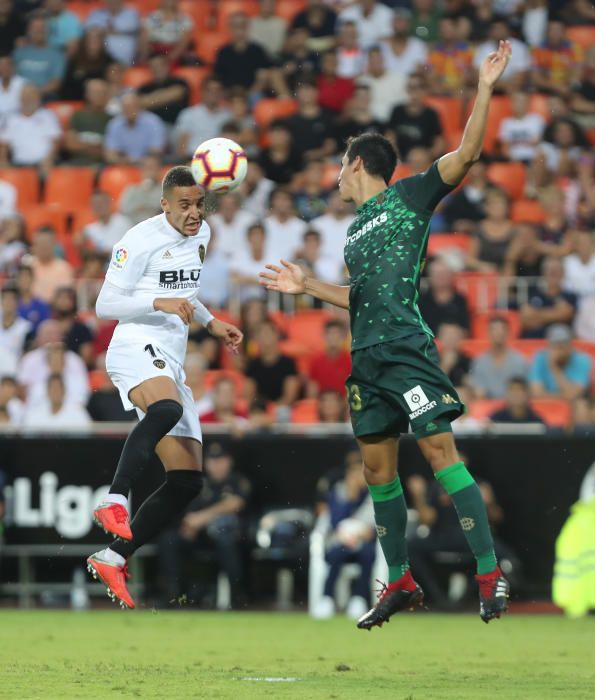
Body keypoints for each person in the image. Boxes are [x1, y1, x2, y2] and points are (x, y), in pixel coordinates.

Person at [260, 41, 514, 628]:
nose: (337, 179)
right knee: (377, 471)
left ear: (356, 165)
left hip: (404, 349)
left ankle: (487, 570)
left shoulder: (411, 196)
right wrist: (308, 285)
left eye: (341, 169)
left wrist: (483, 88)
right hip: (366, 357)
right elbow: (358, 298)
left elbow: (468, 152)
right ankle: (398, 579)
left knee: (438, 452)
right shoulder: (352, 235)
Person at [86, 166, 243, 610]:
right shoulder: (137, 240)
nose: (195, 213)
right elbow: (104, 304)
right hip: (135, 344)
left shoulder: (202, 234)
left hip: (169, 357)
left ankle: (113, 556)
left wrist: (213, 323)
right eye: (185, 206)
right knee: (166, 411)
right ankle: (114, 499)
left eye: (199, 204)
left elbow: (185, 292)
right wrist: (158, 302)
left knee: (187, 481)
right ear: (165, 204)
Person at [158, 442, 251, 609]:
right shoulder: (200, 483)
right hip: (202, 536)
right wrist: (190, 525)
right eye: (212, 460)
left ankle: (237, 596)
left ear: (229, 461)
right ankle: (173, 594)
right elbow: (190, 515)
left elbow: (235, 503)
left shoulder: (237, 481)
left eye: (221, 460)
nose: (217, 465)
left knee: (226, 541)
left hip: (233, 537)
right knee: (170, 539)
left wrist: (203, 517)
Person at [406, 469, 512, 607]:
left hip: (470, 538)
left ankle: (466, 597)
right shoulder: (436, 486)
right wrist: (418, 496)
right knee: (410, 547)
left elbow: (497, 518)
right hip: (441, 536)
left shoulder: (477, 484)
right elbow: (427, 520)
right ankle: (438, 596)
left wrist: (488, 503)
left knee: (503, 556)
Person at [313, 450, 376, 620]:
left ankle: (359, 599)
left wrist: (363, 534)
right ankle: (327, 598)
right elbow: (334, 522)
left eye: (361, 472)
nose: (357, 477)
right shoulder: (339, 490)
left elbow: (373, 525)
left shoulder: (373, 494)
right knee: (335, 554)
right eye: (354, 472)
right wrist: (350, 497)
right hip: (339, 541)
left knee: (368, 554)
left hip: (363, 542)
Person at [0, 83, 61, 172]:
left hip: (44, 163)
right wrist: (3, 161)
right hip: (18, 164)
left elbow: (56, 142)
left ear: (38, 99)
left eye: (31, 96)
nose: (27, 99)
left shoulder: (48, 115)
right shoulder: (11, 119)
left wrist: (49, 159)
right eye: (24, 96)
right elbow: (4, 145)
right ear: (19, 99)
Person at [386, 76, 444, 161]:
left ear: (424, 90)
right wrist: (395, 155)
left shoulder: (431, 114)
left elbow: (439, 143)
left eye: (417, 87)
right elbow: (389, 136)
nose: (413, 92)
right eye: (410, 88)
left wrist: (426, 156)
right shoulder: (397, 111)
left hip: (423, 161)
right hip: (400, 160)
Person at [173, 76, 231, 160]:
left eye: (217, 90)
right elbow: (181, 146)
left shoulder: (227, 116)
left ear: (222, 93)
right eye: (209, 90)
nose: (213, 94)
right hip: (193, 159)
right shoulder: (188, 114)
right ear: (202, 92)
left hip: (220, 161)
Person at [529, 324, 591, 401]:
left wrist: (554, 368)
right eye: (555, 346)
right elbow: (537, 393)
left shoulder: (582, 360)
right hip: (546, 408)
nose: (558, 351)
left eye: (562, 346)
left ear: (570, 346)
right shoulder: (540, 358)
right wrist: (562, 397)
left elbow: (573, 395)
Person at [244, 319, 300, 407]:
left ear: (276, 335)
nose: (264, 337)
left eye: (267, 333)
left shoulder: (288, 363)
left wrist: (275, 410)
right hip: (260, 411)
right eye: (260, 334)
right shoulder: (253, 365)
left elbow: (290, 396)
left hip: (283, 410)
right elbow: (249, 395)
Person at [469, 316, 527, 399]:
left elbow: (523, 391)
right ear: (488, 333)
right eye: (494, 330)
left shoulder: (519, 360)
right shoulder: (479, 361)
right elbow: (478, 391)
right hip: (486, 408)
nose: (498, 333)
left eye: (501, 330)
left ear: (508, 333)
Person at [520, 256, 577, 339]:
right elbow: (525, 319)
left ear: (563, 273)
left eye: (556, 271)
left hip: (559, 344)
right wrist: (555, 314)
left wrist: (536, 315)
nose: (552, 273)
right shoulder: (533, 294)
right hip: (533, 342)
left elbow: (565, 315)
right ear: (544, 273)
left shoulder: (570, 296)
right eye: (550, 270)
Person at [213, 12, 270, 92]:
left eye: (243, 25)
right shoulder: (223, 52)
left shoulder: (258, 51)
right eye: (236, 26)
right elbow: (217, 79)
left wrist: (249, 94)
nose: (239, 29)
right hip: (228, 95)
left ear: (248, 27)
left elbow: (263, 77)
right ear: (230, 28)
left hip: (252, 94)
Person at [104, 91, 166, 164]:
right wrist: (130, 161)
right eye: (125, 107)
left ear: (139, 107)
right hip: (124, 165)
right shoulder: (114, 124)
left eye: (131, 106)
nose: (128, 110)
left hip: (147, 165)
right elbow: (110, 156)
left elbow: (156, 152)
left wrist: (134, 161)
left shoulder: (153, 122)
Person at [13, 13, 65, 98]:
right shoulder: (19, 53)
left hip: (45, 97)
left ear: (48, 30)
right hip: (19, 96)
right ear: (28, 30)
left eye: (42, 27)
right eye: (35, 28)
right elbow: (12, 78)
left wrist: (33, 94)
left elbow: (55, 84)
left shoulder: (57, 55)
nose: (39, 30)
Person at [63, 78, 111, 165]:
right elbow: (70, 145)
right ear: (87, 94)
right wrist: (96, 146)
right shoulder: (77, 117)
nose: (99, 96)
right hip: (74, 164)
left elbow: (109, 151)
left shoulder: (112, 120)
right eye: (95, 93)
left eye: (102, 93)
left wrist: (82, 145)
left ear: (108, 96)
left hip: (101, 167)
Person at [418, 258, 470, 335]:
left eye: (444, 274)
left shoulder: (460, 299)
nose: (441, 278)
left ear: (451, 276)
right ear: (430, 277)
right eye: (437, 275)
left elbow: (465, 328)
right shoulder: (421, 299)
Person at [22, 372, 91, 429]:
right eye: (52, 388)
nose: (55, 391)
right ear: (47, 392)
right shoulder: (35, 413)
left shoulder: (78, 413)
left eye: (58, 388)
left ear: (64, 391)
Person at [59, 26, 111, 101]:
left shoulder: (109, 61)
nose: (93, 44)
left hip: (101, 102)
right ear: (84, 42)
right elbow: (66, 86)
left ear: (102, 43)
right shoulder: (74, 61)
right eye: (90, 40)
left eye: (97, 40)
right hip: (76, 101)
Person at [137, 52, 189, 126]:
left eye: (159, 65)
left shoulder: (179, 82)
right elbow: (138, 103)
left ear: (167, 66)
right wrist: (163, 96)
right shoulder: (144, 87)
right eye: (153, 66)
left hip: (175, 125)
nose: (157, 69)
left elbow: (176, 93)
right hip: (150, 126)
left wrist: (150, 99)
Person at [75, 190, 132, 256]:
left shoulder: (123, 222)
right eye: (95, 204)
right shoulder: (90, 228)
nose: (99, 206)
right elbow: (78, 242)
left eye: (102, 203)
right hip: (101, 261)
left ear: (109, 203)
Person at [138, 0, 194, 66]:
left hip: (174, 51)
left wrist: (171, 57)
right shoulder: (152, 17)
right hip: (155, 50)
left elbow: (185, 41)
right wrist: (145, 55)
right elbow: (144, 36)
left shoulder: (184, 19)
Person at [51, 286, 94, 367]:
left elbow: (86, 358)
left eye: (67, 298)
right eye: (60, 298)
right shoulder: (47, 327)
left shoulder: (82, 329)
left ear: (74, 302)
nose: (63, 301)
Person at [86, 0, 140, 66]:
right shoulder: (96, 14)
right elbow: (90, 32)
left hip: (128, 62)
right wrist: (117, 31)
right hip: (102, 62)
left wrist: (105, 31)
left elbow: (136, 31)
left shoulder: (131, 13)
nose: (113, 2)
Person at [307, 319, 351, 397]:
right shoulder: (316, 361)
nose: (333, 337)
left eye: (337, 334)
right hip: (323, 404)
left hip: (344, 404)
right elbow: (312, 392)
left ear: (344, 337)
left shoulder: (350, 360)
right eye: (330, 333)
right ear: (324, 336)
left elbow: (352, 390)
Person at [29, 226, 74, 303]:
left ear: (54, 244)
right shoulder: (27, 264)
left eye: (46, 243)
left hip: (55, 310)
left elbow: (65, 295)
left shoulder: (64, 267)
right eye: (40, 243)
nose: (43, 247)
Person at [119, 154, 162, 225]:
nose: (149, 170)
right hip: (133, 226)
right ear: (141, 170)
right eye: (147, 167)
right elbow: (123, 209)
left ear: (159, 170)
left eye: (152, 167)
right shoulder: (131, 189)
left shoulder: (165, 190)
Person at [0, 284, 32, 371]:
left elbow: (26, 356)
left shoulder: (26, 328)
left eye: (12, 299)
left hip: (14, 373)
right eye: (5, 298)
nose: (8, 302)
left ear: (18, 303)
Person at [14, 263, 50, 331]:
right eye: (20, 277)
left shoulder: (42, 305)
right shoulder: (11, 305)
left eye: (27, 276)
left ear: (33, 279)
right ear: (16, 280)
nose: (24, 280)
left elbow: (45, 330)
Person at [0, 54, 26, 125]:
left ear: (13, 67)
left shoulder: (24, 84)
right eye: (1, 65)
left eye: (7, 65)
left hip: (18, 122)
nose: (4, 68)